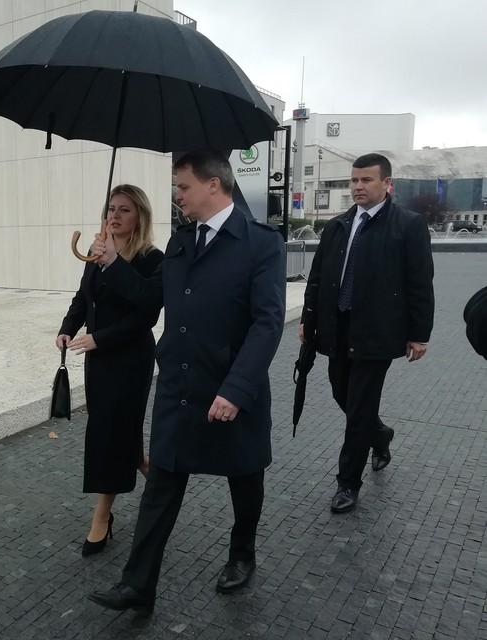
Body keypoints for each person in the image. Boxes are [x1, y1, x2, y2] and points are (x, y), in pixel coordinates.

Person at [87, 151, 286, 613]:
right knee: (161, 484)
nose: (178, 196)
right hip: (178, 387)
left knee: (244, 476)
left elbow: (267, 323)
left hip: (230, 386)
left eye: (183, 187)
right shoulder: (181, 242)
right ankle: (137, 585)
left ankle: (242, 555)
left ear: (213, 185)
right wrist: (113, 262)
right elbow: (148, 297)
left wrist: (236, 389)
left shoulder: (261, 243)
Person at [299, 153, 434, 514]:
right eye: (354, 180)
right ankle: (380, 433)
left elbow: (420, 283)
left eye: (366, 180)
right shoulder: (338, 225)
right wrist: (309, 321)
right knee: (341, 393)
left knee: (359, 409)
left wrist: (419, 334)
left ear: (387, 184)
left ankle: (347, 483)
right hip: (337, 327)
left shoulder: (408, 225)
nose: (357, 187)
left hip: (377, 332)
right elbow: (318, 278)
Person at [57, 184, 164, 558]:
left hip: (130, 359)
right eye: (111, 209)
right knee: (116, 429)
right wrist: (68, 327)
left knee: (109, 433)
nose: (115, 216)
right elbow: (83, 298)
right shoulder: (96, 252)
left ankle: (102, 516)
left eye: (124, 210)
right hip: (98, 360)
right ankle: (149, 469)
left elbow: (147, 311)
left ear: (140, 217)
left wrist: (99, 338)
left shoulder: (152, 258)